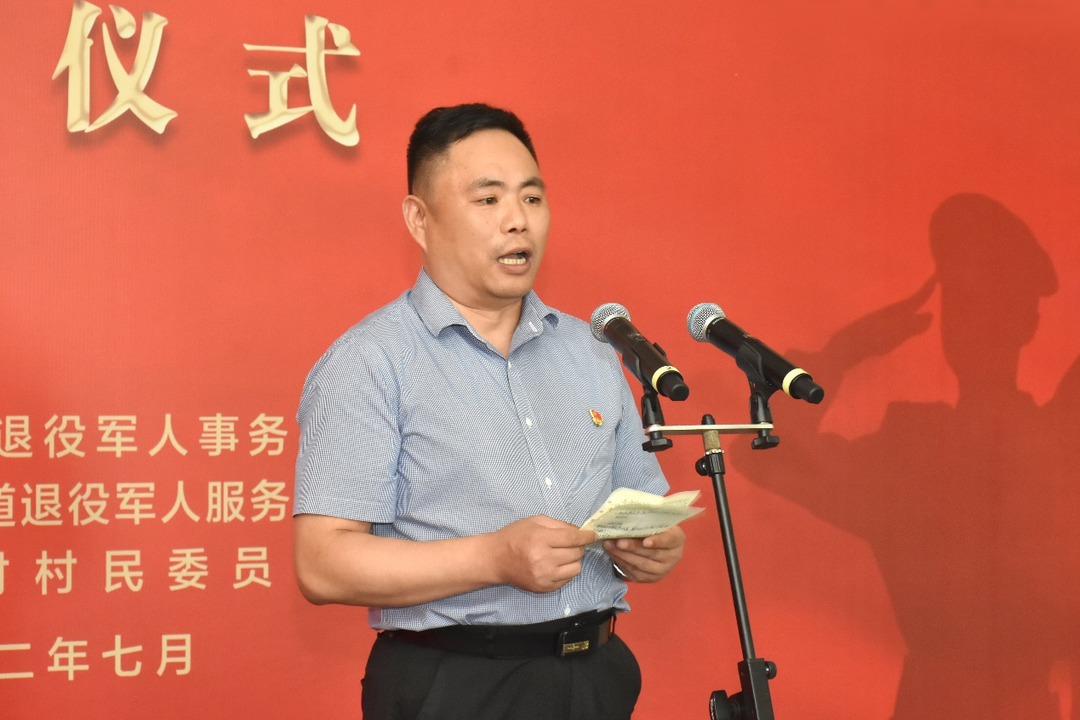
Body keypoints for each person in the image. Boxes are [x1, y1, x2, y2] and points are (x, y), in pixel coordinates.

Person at [292, 103, 686, 720]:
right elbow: (322, 564)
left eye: (532, 198)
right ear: (419, 219)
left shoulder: (590, 350)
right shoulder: (370, 361)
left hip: (596, 675)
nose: (517, 220)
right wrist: (493, 558)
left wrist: (653, 546)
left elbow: (641, 502)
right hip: (455, 686)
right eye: (488, 199)